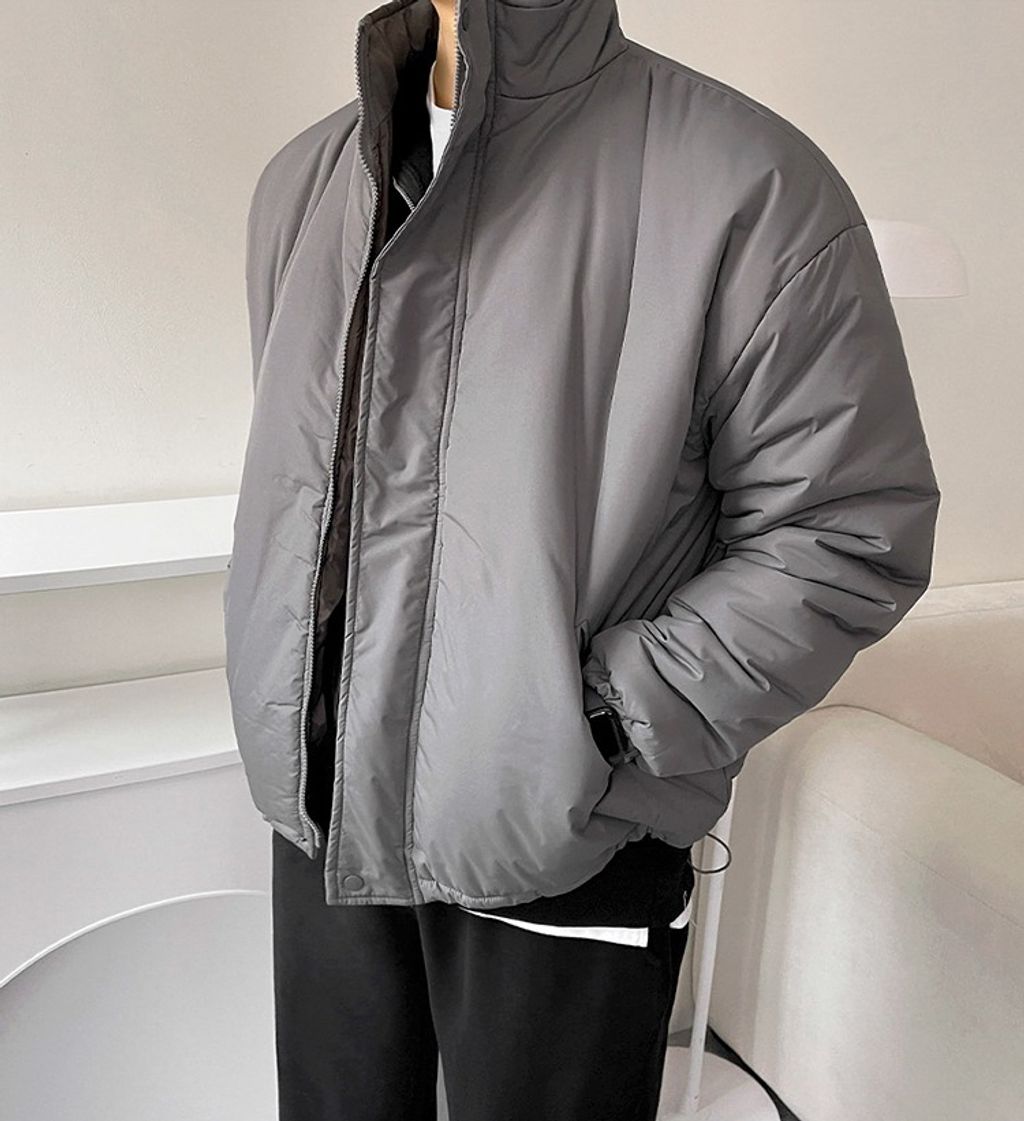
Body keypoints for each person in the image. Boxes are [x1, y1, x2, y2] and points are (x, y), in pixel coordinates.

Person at [223, 0, 942, 1117]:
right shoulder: (304, 184)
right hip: (323, 827)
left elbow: (847, 532)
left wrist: (589, 720)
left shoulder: (747, 184)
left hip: (566, 839)